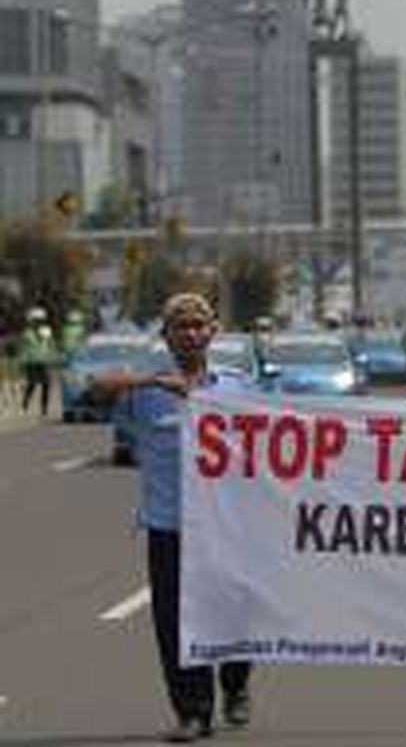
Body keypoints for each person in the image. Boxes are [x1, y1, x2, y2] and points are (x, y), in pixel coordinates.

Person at [89, 293, 255, 743]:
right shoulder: (144, 393)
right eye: (181, 326)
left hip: (229, 526)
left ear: (214, 331)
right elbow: (95, 389)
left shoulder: (238, 385)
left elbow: (269, 444)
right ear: (166, 335)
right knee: (175, 625)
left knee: (234, 613)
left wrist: (198, 395)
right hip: (169, 526)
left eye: (200, 324)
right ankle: (193, 712)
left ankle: (236, 683)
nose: (192, 333)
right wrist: (152, 382)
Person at [19, 307, 56, 416]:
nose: (38, 323)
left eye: (40, 320)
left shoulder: (47, 331)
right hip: (32, 362)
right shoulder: (27, 333)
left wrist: (52, 357)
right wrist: (23, 363)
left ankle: (44, 409)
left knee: (46, 385)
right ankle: (24, 407)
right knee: (31, 385)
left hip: (44, 361)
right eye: (36, 320)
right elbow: (24, 349)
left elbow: (51, 345)